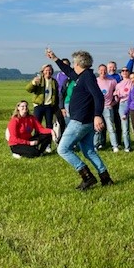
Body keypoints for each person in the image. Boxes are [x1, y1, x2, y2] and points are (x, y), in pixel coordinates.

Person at [47, 49, 114, 190]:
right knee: (89, 151)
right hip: (85, 121)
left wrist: (97, 115)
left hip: (80, 121)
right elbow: (68, 72)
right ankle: (105, 178)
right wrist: (55, 58)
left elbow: (98, 96)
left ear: (78, 64)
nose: (72, 65)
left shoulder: (87, 77)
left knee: (62, 149)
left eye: (73, 63)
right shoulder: (83, 75)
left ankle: (87, 177)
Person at [25, 63, 60, 131]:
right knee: (37, 124)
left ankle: (48, 137)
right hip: (39, 105)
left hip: (49, 106)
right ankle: (37, 136)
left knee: (49, 125)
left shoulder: (54, 81)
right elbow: (28, 89)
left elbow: (56, 94)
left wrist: (56, 105)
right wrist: (33, 83)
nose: (48, 72)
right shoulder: (39, 80)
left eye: (49, 70)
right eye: (46, 70)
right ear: (43, 71)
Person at [94, 64, 118, 151]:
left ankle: (115, 146)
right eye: (101, 70)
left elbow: (117, 92)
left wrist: (115, 102)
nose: (103, 72)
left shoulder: (112, 81)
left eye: (104, 70)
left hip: (108, 107)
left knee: (110, 127)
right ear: (98, 71)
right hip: (97, 107)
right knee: (97, 127)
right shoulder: (95, 81)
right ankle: (95, 145)